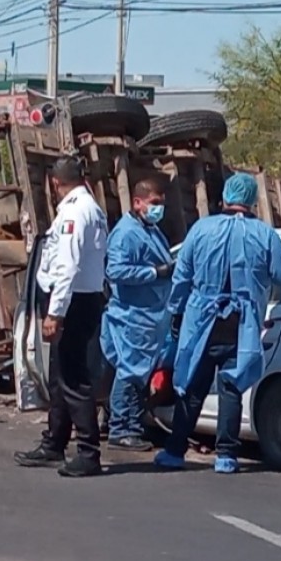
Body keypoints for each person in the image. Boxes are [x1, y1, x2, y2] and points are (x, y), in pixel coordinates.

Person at [154, 172, 281, 474]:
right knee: (231, 387)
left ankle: (175, 451)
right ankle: (226, 456)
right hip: (241, 324)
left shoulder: (201, 230)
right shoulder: (264, 234)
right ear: (252, 202)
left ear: (224, 198)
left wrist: (176, 314)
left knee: (192, 387)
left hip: (201, 323)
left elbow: (181, 277)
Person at [14, 155, 108, 478]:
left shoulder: (74, 212)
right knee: (59, 379)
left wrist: (55, 312)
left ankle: (88, 451)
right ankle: (54, 442)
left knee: (73, 379)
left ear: (55, 183)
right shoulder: (89, 207)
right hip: (79, 300)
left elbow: (67, 267)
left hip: (73, 303)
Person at [101, 177, 173, 452]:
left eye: (162, 204)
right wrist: (155, 272)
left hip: (149, 316)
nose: (159, 209)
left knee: (136, 374)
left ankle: (127, 424)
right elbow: (116, 271)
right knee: (129, 373)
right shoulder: (126, 233)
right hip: (134, 315)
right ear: (137, 202)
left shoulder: (151, 230)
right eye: (155, 203)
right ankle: (122, 429)